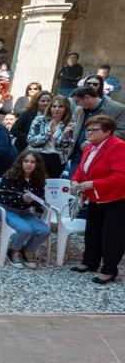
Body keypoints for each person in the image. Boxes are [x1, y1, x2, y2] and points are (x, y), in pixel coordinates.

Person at [70, 115, 125, 284]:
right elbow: (82, 168)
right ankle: (90, 262)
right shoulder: (90, 147)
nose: (90, 133)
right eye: (88, 129)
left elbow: (121, 176)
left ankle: (109, 270)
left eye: (95, 130)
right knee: (92, 232)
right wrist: (75, 180)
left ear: (108, 132)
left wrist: (92, 184)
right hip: (96, 197)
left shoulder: (119, 147)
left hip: (117, 199)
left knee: (112, 235)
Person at [0, 151, 50, 268]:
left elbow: (40, 199)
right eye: (26, 161)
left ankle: (26, 251)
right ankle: (13, 251)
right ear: (20, 162)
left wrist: (36, 202)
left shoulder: (38, 180)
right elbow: (1, 196)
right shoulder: (10, 176)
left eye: (33, 162)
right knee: (25, 230)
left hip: (25, 212)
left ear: (37, 165)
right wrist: (22, 198)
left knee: (44, 231)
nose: (29, 164)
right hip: (7, 210)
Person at [67, 86, 125, 174]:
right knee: (73, 183)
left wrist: (97, 141)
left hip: (101, 156)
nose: (77, 105)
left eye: (78, 101)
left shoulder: (117, 108)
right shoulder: (79, 110)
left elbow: (122, 131)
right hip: (78, 155)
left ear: (87, 98)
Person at [27, 95, 74, 178]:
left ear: (66, 109)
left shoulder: (69, 124)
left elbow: (66, 150)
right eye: (54, 106)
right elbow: (31, 140)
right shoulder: (40, 120)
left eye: (60, 106)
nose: (56, 109)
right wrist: (47, 135)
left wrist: (66, 138)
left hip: (57, 159)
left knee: (51, 186)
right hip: (39, 155)